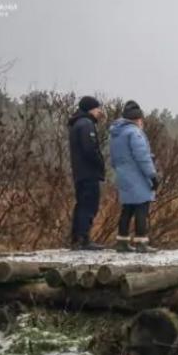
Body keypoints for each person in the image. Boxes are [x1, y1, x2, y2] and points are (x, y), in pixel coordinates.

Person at [109, 101, 159, 253]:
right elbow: (142, 157)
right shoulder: (134, 133)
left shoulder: (116, 133)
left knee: (127, 208)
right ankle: (141, 242)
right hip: (138, 175)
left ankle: (122, 241)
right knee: (142, 207)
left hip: (123, 174)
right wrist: (152, 175)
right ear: (138, 119)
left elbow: (113, 158)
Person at [67, 96, 106, 250]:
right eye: (97, 109)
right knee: (89, 205)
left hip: (80, 172)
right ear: (91, 109)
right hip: (88, 172)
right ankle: (83, 239)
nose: (99, 112)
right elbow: (90, 149)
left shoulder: (77, 123)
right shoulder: (86, 124)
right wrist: (99, 163)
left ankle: (77, 237)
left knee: (82, 204)